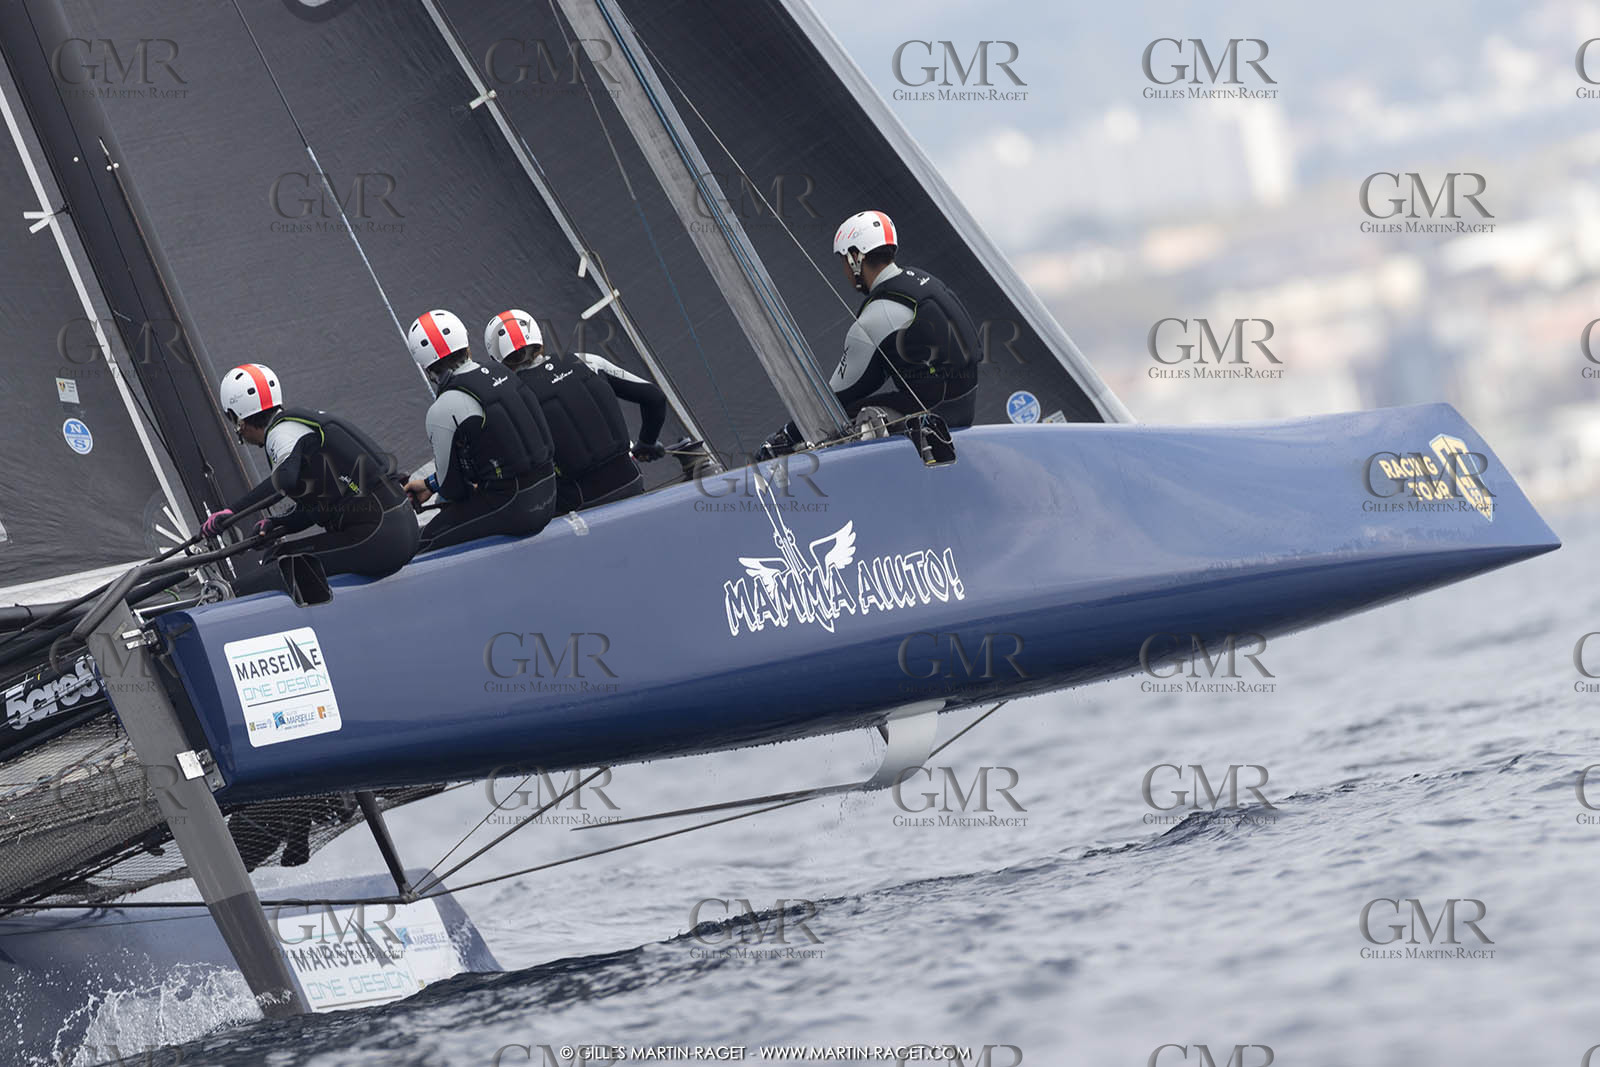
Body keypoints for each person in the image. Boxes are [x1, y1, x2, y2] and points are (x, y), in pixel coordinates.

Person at [203, 363, 418, 596]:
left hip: (378, 537)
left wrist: (231, 513)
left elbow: (283, 479)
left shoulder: (280, 433)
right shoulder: (301, 425)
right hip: (399, 530)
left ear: (238, 420)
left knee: (281, 560)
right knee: (286, 554)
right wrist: (278, 524)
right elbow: (321, 506)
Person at [483, 309, 670, 513]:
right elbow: (655, 398)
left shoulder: (512, 396)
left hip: (579, 501)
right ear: (540, 340)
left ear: (496, 360)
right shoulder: (588, 361)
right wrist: (646, 444)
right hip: (631, 480)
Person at [401, 309, 557, 552]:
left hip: (516, 508)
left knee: (424, 541)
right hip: (550, 491)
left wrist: (451, 486)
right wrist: (431, 483)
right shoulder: (505, 373)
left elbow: (454, 489)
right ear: (468, 347)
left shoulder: (442, 409)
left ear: (425, 367)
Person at [828, 210, 979, 428]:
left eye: (844, 261)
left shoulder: (876, 315)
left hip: (935, 417)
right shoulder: (923, 280)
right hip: (964, 406)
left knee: (833, 420)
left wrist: (789, 433)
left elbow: (835, 395)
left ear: (854, 259)